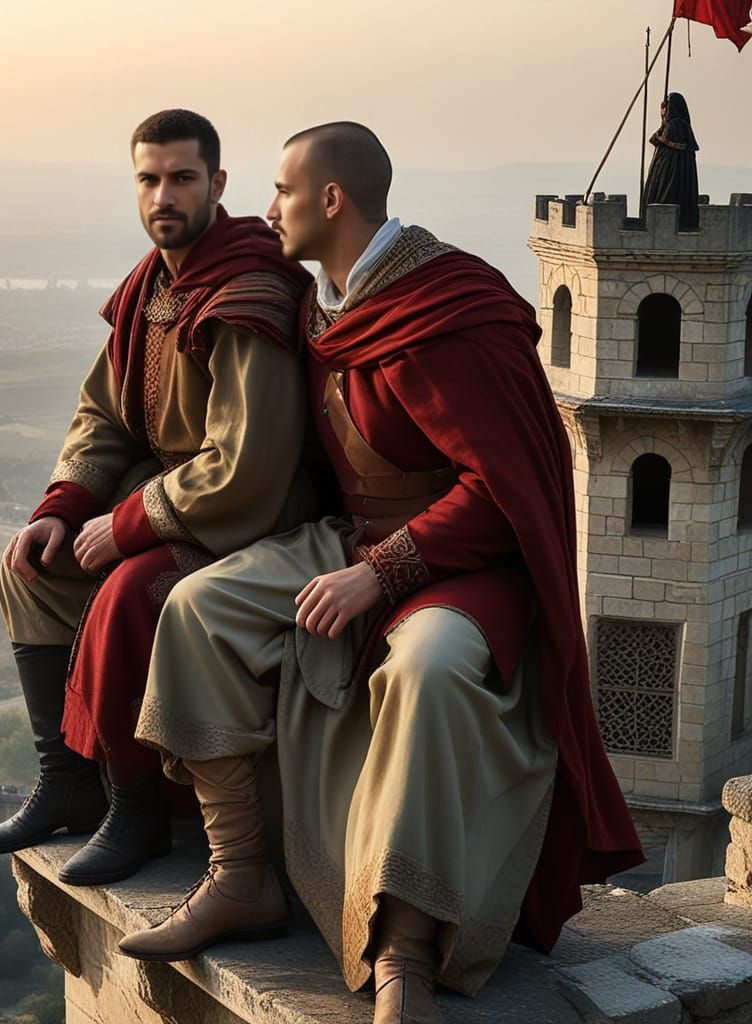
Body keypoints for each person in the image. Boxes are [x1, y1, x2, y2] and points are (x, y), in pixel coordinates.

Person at [118, 122, 644, 1023]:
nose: (268, 208)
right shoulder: (324, 304)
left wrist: (385, 574)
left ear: (331, 201)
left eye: (282, 192)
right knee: (197, 609)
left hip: (466, 560)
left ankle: (405, 948)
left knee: (428, 669)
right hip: (349, 537)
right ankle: (241, 873)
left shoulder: (450, 305)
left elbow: (503, 485)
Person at [0, 109, 313, 890]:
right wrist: (64, 505)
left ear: (217, 185)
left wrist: (124, 525)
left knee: (130, 592)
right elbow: (104, 414)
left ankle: (138, 811)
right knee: (30, 566)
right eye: (150, 179)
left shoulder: (247, 295)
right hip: (168, 500)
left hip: (250, 518)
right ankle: (67, 782)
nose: (165, 195)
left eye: (183, 178)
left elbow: (246, 466)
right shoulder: (150, 286)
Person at [642, 92, 700, 230]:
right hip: (672, 166)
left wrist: (664, 120)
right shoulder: (681, 124)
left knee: (665, 192)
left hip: (670, 168)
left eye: (667, 105)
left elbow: (661, 139)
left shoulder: (674, 124)